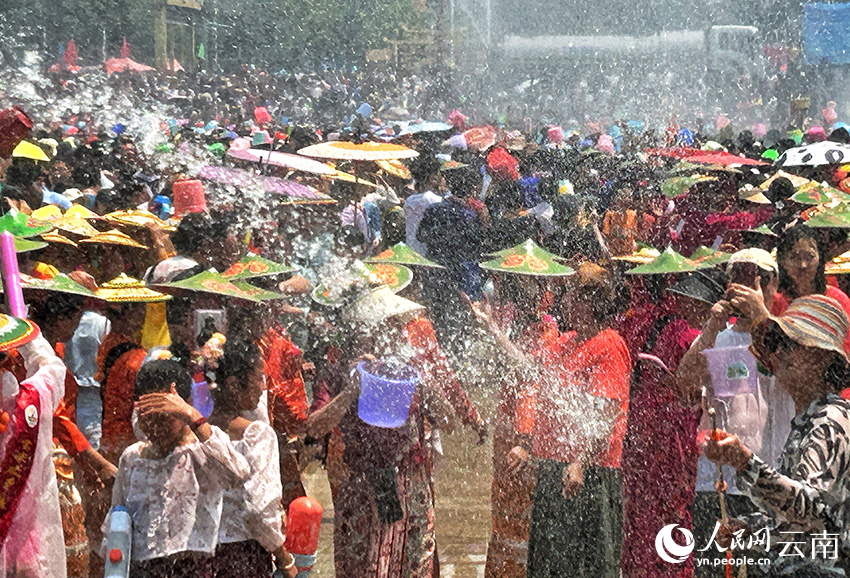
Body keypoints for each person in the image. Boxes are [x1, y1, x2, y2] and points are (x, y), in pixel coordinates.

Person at [306, 286, 456, 578]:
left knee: (411, 568)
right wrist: (352, 390)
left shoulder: (409, 372)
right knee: (363, 569)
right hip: (362, 487)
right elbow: (313, 428)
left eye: (392, 326)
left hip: (411, 487)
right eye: (378, 327)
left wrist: (426, 384)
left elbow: (449, 422)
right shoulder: (338, 373)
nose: (392, 333)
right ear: (356, 330)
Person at [706, 295, 850, 576]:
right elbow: (805, 521)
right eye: (777, 343)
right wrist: (750, 528)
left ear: (823, 357)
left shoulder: (830, 420)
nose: (779, 353)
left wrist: (746, 463)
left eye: (791, 344)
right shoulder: (810, 419)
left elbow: (808, 508)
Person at [675, 249, 796, 576]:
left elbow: (791, 374)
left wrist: (761, 318)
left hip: (770, 480)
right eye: (737, 278)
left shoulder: (789, 333)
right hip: (717, 482)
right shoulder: (718, 334)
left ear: (773, 284)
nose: (744, 288)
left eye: (755, 278)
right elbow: (684, 385)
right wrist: (713, 323)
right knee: (712, 571)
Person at [106, 359, 250, 578]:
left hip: (193, 568)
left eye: (164, 414)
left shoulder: (202, 448)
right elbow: (118, 519)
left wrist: (194, 417)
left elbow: (236, 476)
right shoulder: (133, 458)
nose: (155, 425)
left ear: (184, 406)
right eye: (147, 415)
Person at [209, 339, 298, 578]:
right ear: (234, 385)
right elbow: (258, 512)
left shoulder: (197, 434)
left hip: (201, 556)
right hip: (242, 556)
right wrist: (283, 558)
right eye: (259, 378)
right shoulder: (257, 436)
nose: (262, 387)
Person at [0, 314, 68, 578]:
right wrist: (25, 331)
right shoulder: (32, 399)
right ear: (6, 359)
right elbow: (52, 367)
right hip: (22, 538)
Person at [772, 224, 850, 352]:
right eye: (794, 257)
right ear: (782, 261)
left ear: (820, 259)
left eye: (809, 257)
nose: (803, 265)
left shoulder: (838, 299)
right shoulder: (775, 303)